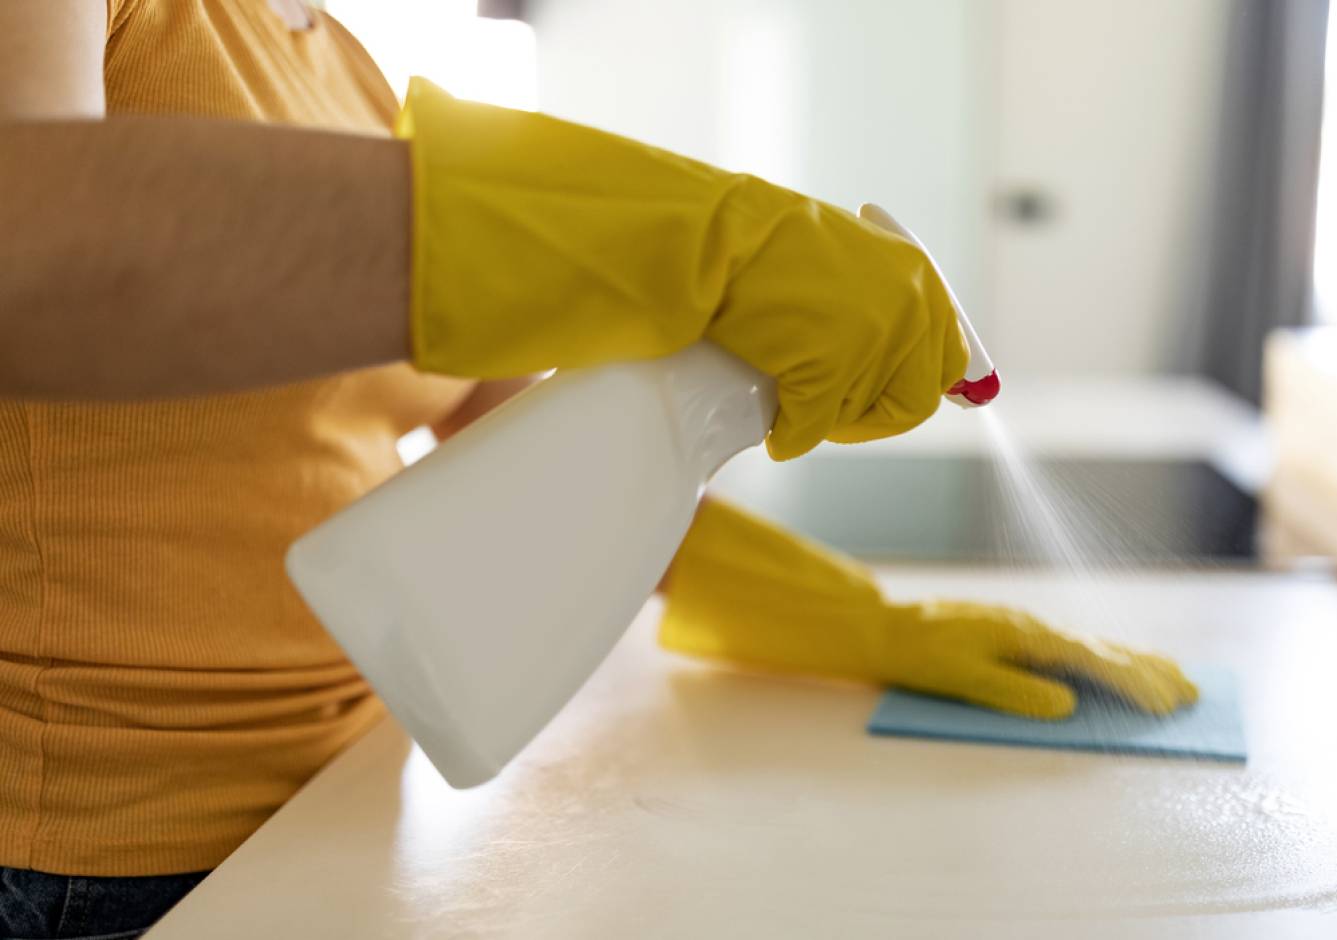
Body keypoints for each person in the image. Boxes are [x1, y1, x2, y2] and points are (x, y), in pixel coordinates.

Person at [0, 1, 1197, 935]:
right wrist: (698, 243)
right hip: (81, 865)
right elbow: (33, 245)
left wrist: (840, 616)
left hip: (339, 805)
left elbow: (467, 406)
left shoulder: (341, 65)